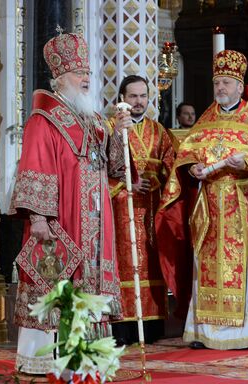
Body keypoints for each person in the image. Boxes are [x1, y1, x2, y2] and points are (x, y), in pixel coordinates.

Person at [156, 50, 248, 350]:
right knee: (206, 268)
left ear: (240, 85)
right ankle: (203, 331)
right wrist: (191, 167)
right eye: (217, 83)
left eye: (226, 82)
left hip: (244, 209)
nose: (220, 88)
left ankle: (247, 330)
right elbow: (186, 154)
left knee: (244, 270)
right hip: (209, 208)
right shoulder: (206, 120)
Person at [9, 31, 123, 374]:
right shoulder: (43, 120)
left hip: (97, 218)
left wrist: (121, 133)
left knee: (92, 279)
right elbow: (35, 165)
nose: (86, 79)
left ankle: (91, 354)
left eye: (88, 73)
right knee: (56, 280)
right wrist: (40, 217)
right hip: (63, 219)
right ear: (60, 79)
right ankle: (46, 358)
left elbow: (116, 166)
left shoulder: (93, 119)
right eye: (79, 74)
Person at [109, 75, 175, 345]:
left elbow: (172, 168)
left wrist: (158, 180)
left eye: (143, 96)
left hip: (151, 209)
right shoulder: (110, 128)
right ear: (122, 98)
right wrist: (126, 183)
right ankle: (122, 326)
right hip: (119, 210)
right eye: (133, 96)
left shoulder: (159, 131)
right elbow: (99, 168)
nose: (138, 102)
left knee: (150, 264)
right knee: (124, 264)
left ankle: (151, 326)